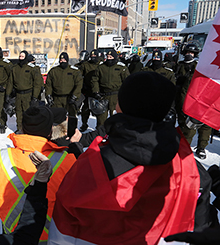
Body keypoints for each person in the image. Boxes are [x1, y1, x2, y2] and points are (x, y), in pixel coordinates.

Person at [48, 72, 217, 245]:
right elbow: (201, 232)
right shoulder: (192, 172)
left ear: (121, 106)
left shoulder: (87, 168)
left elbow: (61, 234)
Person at [0, 106, 76, 243]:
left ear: (22, 129)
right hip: (52, 237)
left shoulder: (2, 158)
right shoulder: (67, 161)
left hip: (12, 236)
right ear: (51, 131)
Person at [175, 42, 212, 159]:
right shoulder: (178, 65)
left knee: (201, 125)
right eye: (187, 53)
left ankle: (201, 147)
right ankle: (182, 146)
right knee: (182, 125)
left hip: (196, 100)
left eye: (191, 53)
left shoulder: (198, 67)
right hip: (179, 98)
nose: (189, 55)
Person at [6, 50, 43, 132]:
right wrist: (7, 94)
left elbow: (37, 84)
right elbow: (10, 82)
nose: (21, 58)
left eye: (23, 56)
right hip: (18, 94)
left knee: (28, 112)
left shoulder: (31, 68)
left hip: (28, 94)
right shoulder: (15, 68)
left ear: (26, 57)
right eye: (20, 56)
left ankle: (28, 129)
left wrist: (35, 97)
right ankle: (20, 128)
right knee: (18, 112)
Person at [91, 49, 130, 128]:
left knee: (117, 117)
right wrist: (96, 91)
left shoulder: (121, 67)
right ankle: (100, 134)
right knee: (101, 117)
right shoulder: (101, 67)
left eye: (111, 57)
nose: (109, 59)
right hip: (103, 95)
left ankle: (117, 133)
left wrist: (125, 93)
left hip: (116, 95)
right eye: (108, 57)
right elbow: (95, 79)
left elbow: (127, 80)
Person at [45, 52, 83, 117]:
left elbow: (79, 84)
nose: (62, 61)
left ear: (67, 60)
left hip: (69, 98)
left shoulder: (74, 71)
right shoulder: (54, 71)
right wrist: (48, 95)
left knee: (71, 117)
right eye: (61, 60)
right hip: (57, 99)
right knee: (57, 117)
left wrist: (75, 96)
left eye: (64, 60)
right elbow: (49, 84)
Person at [76, 49, 101, 132]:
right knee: (85, 108)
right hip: (87, 89)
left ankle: (99, 126)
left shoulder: (101, 65)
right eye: (92, 56)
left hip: (98, 90)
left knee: (98, 109)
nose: (93, 58)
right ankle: (84, 123)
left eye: (95, 56)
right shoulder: (85, 65)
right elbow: (79, 75)